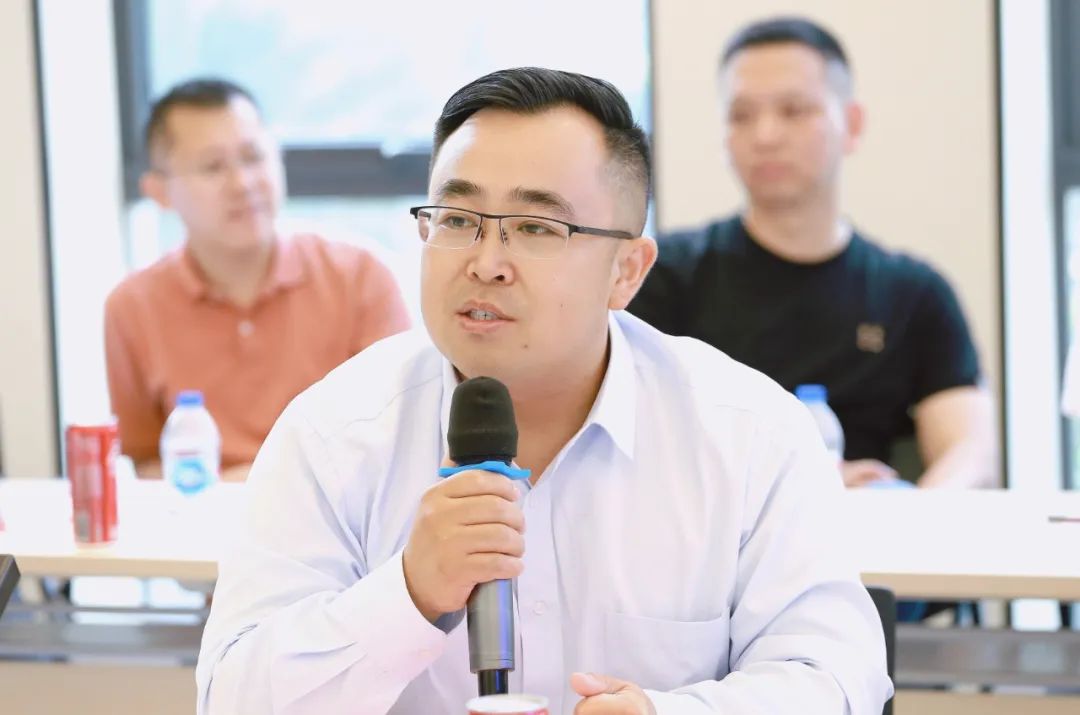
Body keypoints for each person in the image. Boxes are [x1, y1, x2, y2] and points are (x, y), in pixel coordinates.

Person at [196, 67, 891, 714]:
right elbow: (231, 697)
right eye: (457, 220)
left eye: (535, 228)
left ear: (627, 270)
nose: (486, 263)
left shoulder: (748, 432)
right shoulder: (333, 433)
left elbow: (835, 673)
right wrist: (407, 594)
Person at [629, 17, 998, 490]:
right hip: (714, 524)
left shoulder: (913, 292)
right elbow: (632, 437)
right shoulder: (662, 275)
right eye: (741, 115)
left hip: (870, 527)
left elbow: (971, 451)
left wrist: (909, 516)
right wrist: (805, 489)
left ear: (852, 125)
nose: (765, 135)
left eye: (794, 110)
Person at [104, 78, 410, 479]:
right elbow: (145, 461)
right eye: (213, 167)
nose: (242, 184)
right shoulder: (132, 306)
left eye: (253, 157)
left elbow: (397, 439)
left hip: (338, 511)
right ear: (159, 192)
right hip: (203, 512)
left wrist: (266, 486)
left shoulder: (360, 278)